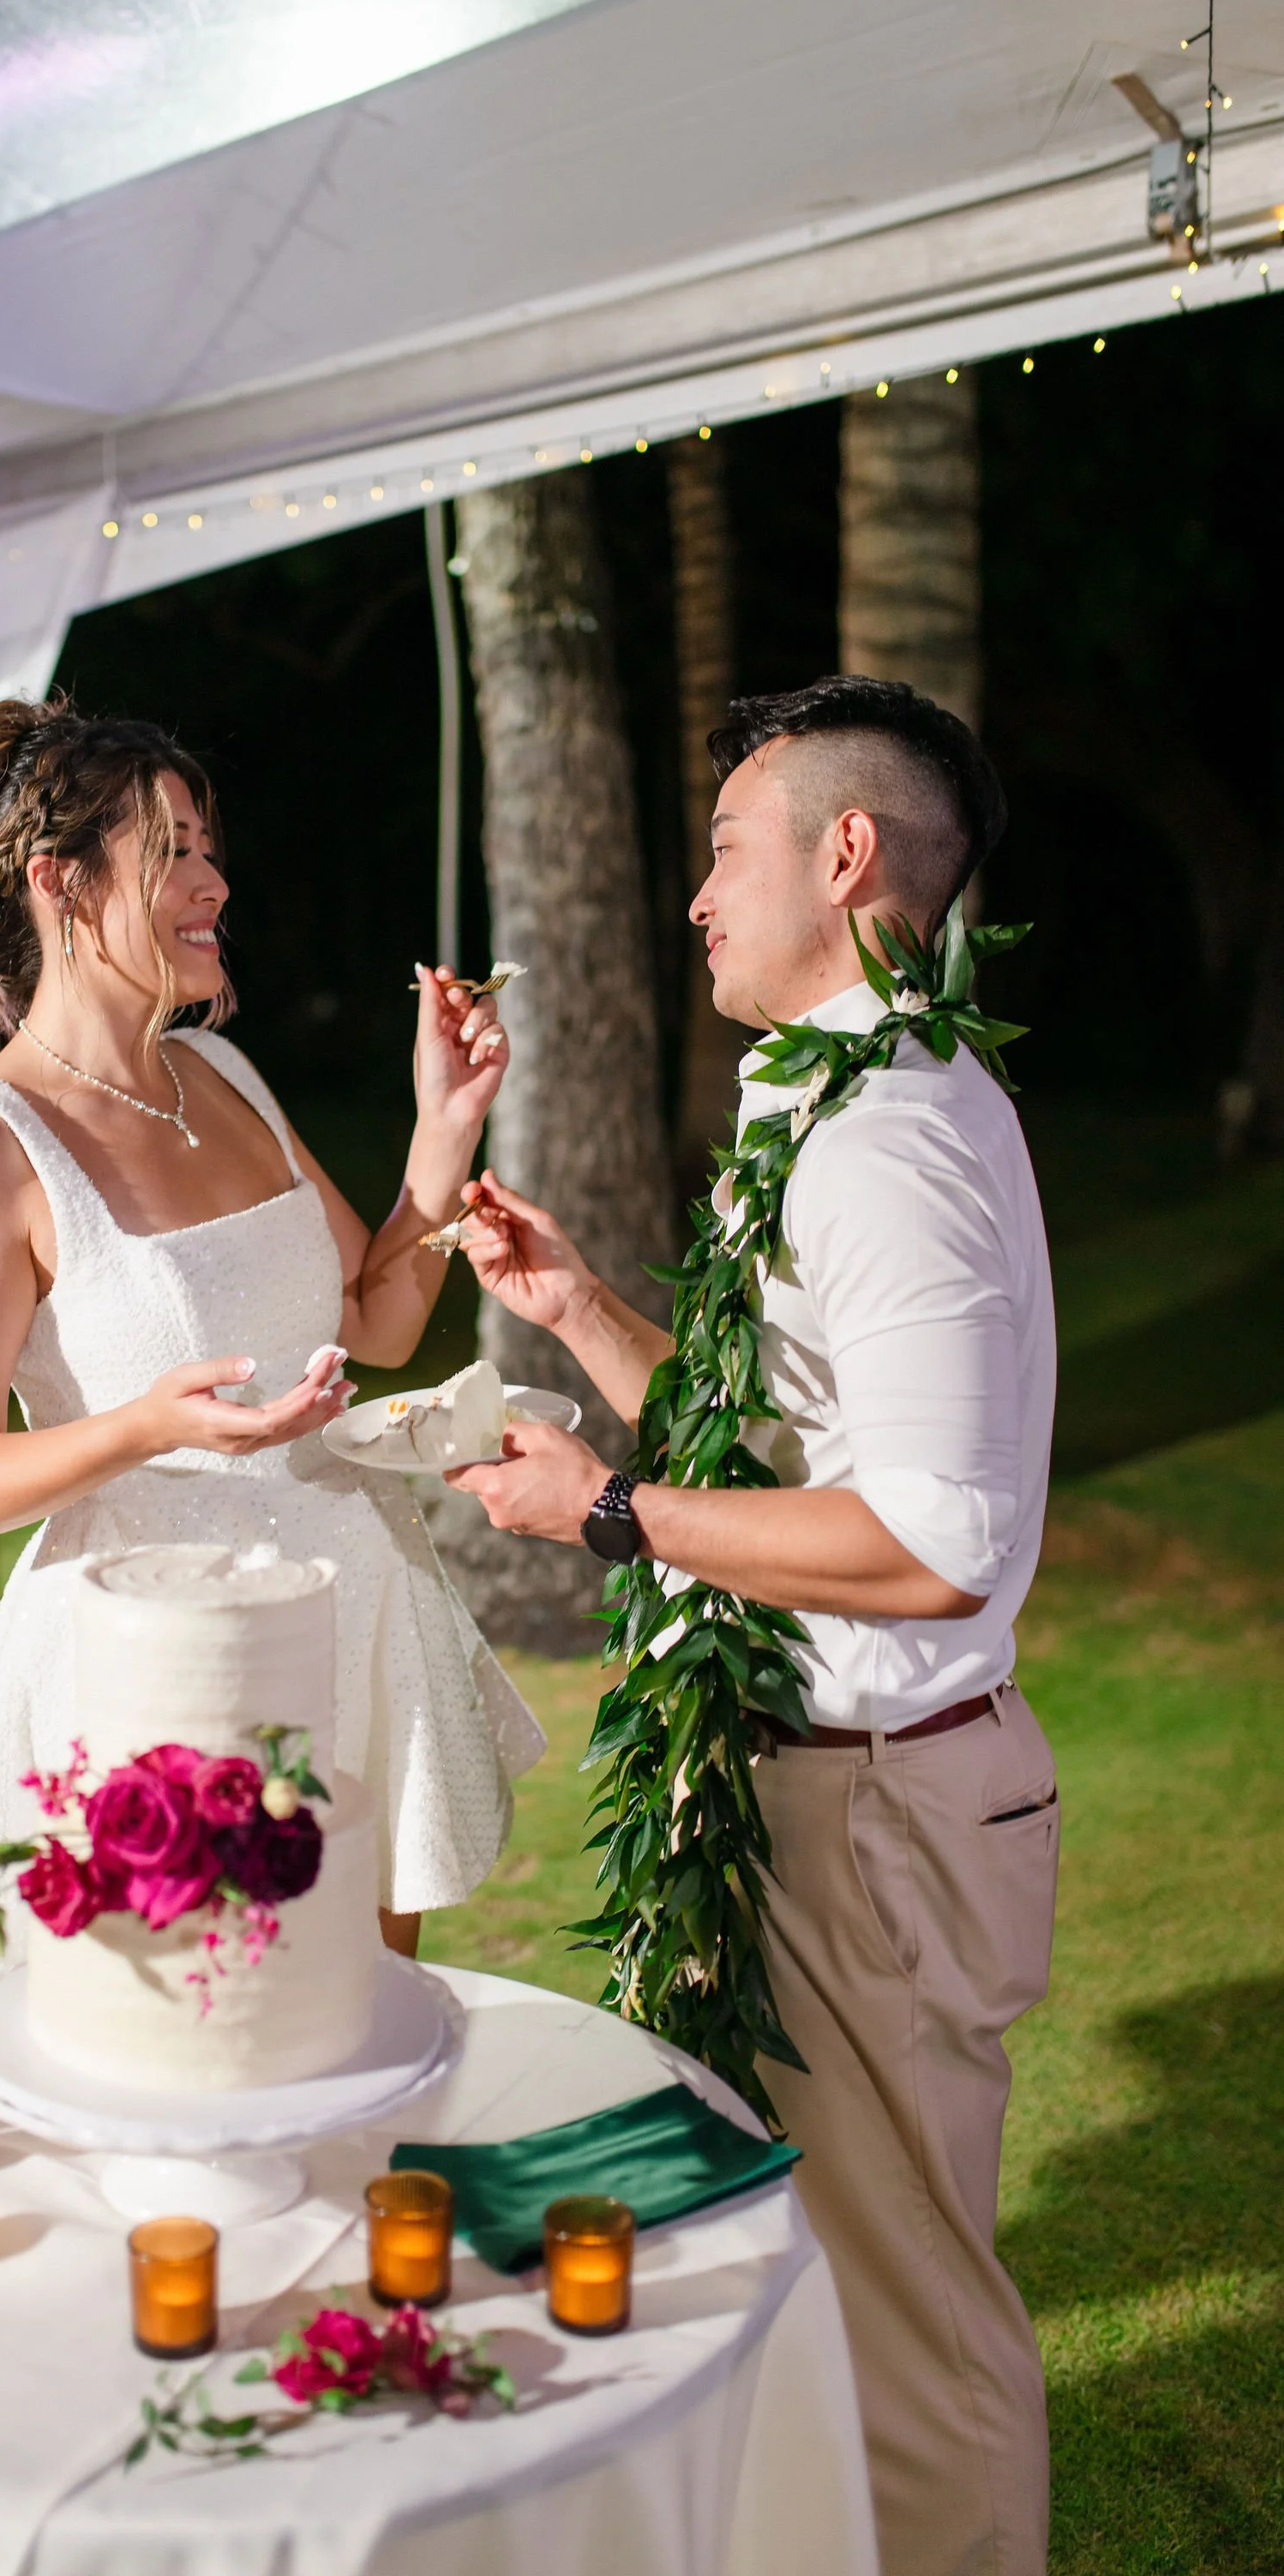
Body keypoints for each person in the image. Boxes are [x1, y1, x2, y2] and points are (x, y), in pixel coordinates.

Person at [446, 676, 1058, 2576]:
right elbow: (793, 1453)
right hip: (804, 1795)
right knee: (801, 2267)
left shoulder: (885, 1143)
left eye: (725, 849)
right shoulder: (849, 1098)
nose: (697, 897)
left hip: (874, 1817)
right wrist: (585, 1318)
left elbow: (936, 1539)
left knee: (909, 2314)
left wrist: (611, 1513)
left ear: (846, 856)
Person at [0, 697, 543, 1977]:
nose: (214, 880)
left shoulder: (228, 1078)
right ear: (59, 882)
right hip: (162, 1661)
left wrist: (442, 1132)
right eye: (173, 849)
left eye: (206, 843)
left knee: (363, 2050)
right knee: (198, 2072)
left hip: (349, 1606)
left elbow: (378, 1318)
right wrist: (143, 1426)